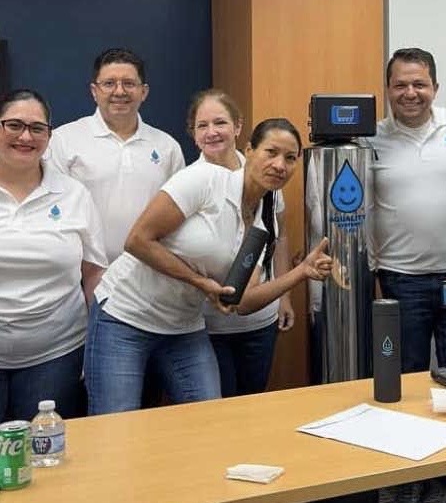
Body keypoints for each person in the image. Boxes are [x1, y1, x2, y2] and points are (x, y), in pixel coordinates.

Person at [85, 118, 332, 415]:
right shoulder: (204, 180)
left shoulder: (263, 222)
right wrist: (199, 282)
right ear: (249, 150)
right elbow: (137, 240)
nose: (280, 165)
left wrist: (301, 272)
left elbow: (243, 301)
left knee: (210, 419)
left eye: (290, 158)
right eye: (271, 152)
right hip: (125, 315)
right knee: (116, 422)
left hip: (183, 326)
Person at [370, 48, 446, 373]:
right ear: (388, 89)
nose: (410, 93)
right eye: (400, 85)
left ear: (435, 88)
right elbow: (363, 208)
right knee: (407, 377)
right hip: (400, 279)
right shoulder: (372, 139)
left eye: (420, 84)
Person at [0, 89, 107, 420]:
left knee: (44, 450)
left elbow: (94, 273)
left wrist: (98, 349)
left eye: (37, 128)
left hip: (56, 356)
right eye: (14, 125)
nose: (25, 136)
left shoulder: (74, 194)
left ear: (49, 135)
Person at [187, 89, 296, 396]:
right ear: (193, 134)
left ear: (237, 127)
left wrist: (284, 297)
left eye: (220, 122)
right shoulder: (189, 183)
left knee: (253, 403)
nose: (212, 132)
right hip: (208, 325)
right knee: (220, 407)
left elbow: (280, 235)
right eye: (202, 125)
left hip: (261, 322)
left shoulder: (268, 173)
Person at [46, 48, 185, 263]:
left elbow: (178, 216)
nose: (119, 92)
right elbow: (51, 210)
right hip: (82, 271)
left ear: (144, 92)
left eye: (129, 83)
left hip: (150, 271)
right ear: (94, 91)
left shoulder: (167, 147)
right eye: (109, 83)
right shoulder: (63, 140)